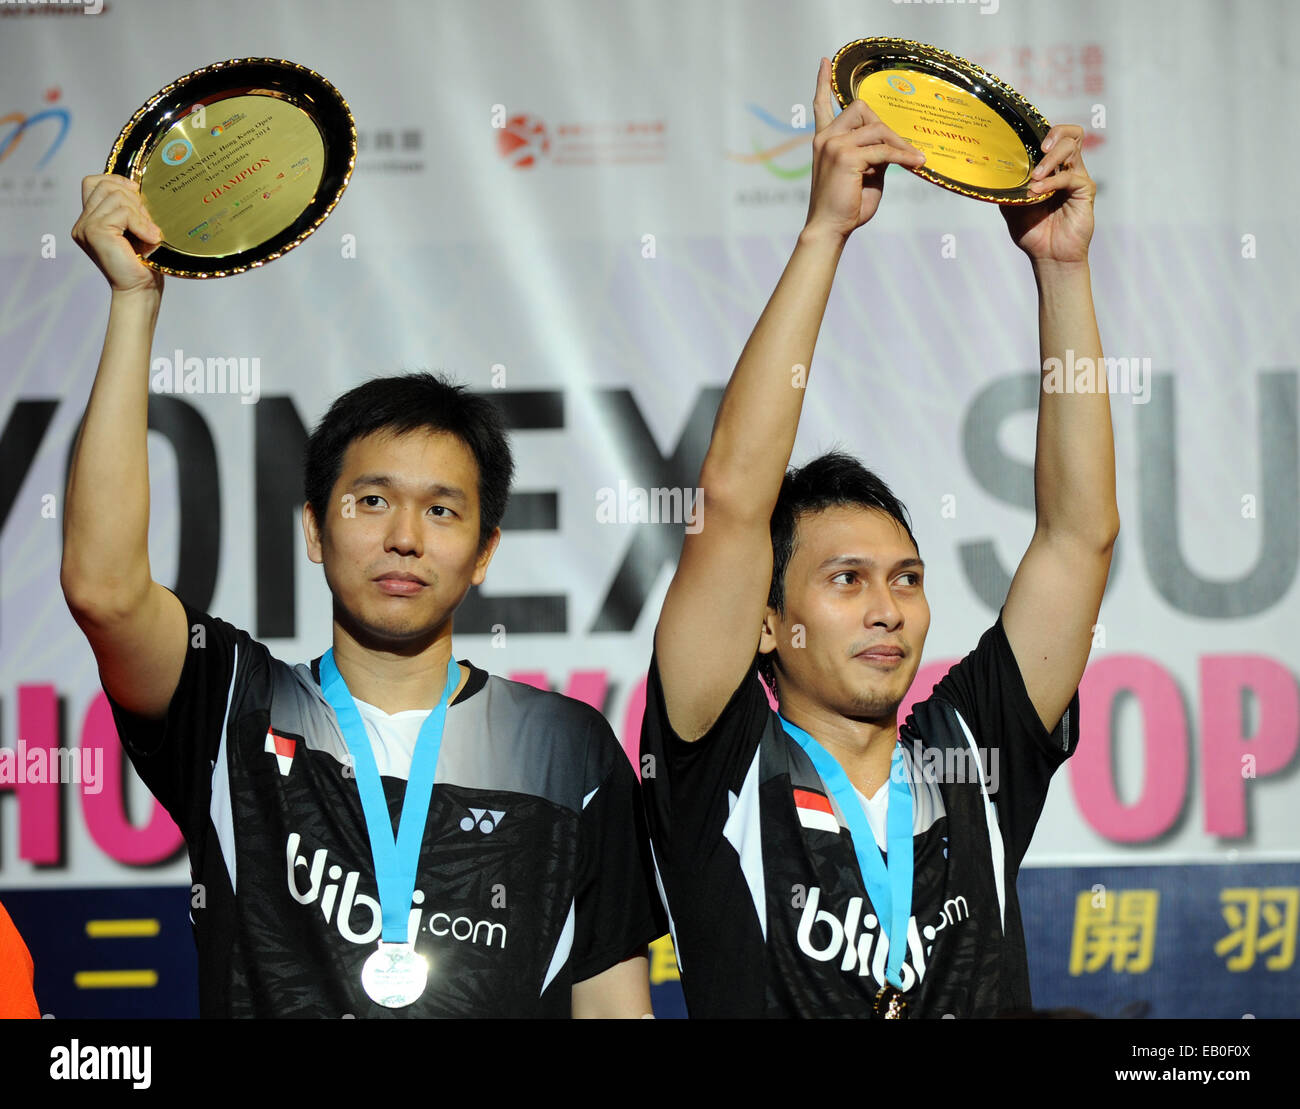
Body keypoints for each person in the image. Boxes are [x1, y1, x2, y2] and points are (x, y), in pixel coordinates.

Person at [62, 173, 664, 1018]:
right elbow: (105, 589)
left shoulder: (568, 747)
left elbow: (613, 1006)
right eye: (372, 501)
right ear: (315, 528)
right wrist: (134, 305)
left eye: (443, 510)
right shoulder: (233, 703)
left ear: (485, 550)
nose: (405, 537)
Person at [640, 59, 1117, 1018]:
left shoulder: (969, 757)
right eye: (846, 578)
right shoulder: (716, 763)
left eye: (905, 577)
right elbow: (735, 501)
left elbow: (1077, 538)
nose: (887, 607)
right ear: (767, 625)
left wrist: (1061, 270)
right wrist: (825, 232)